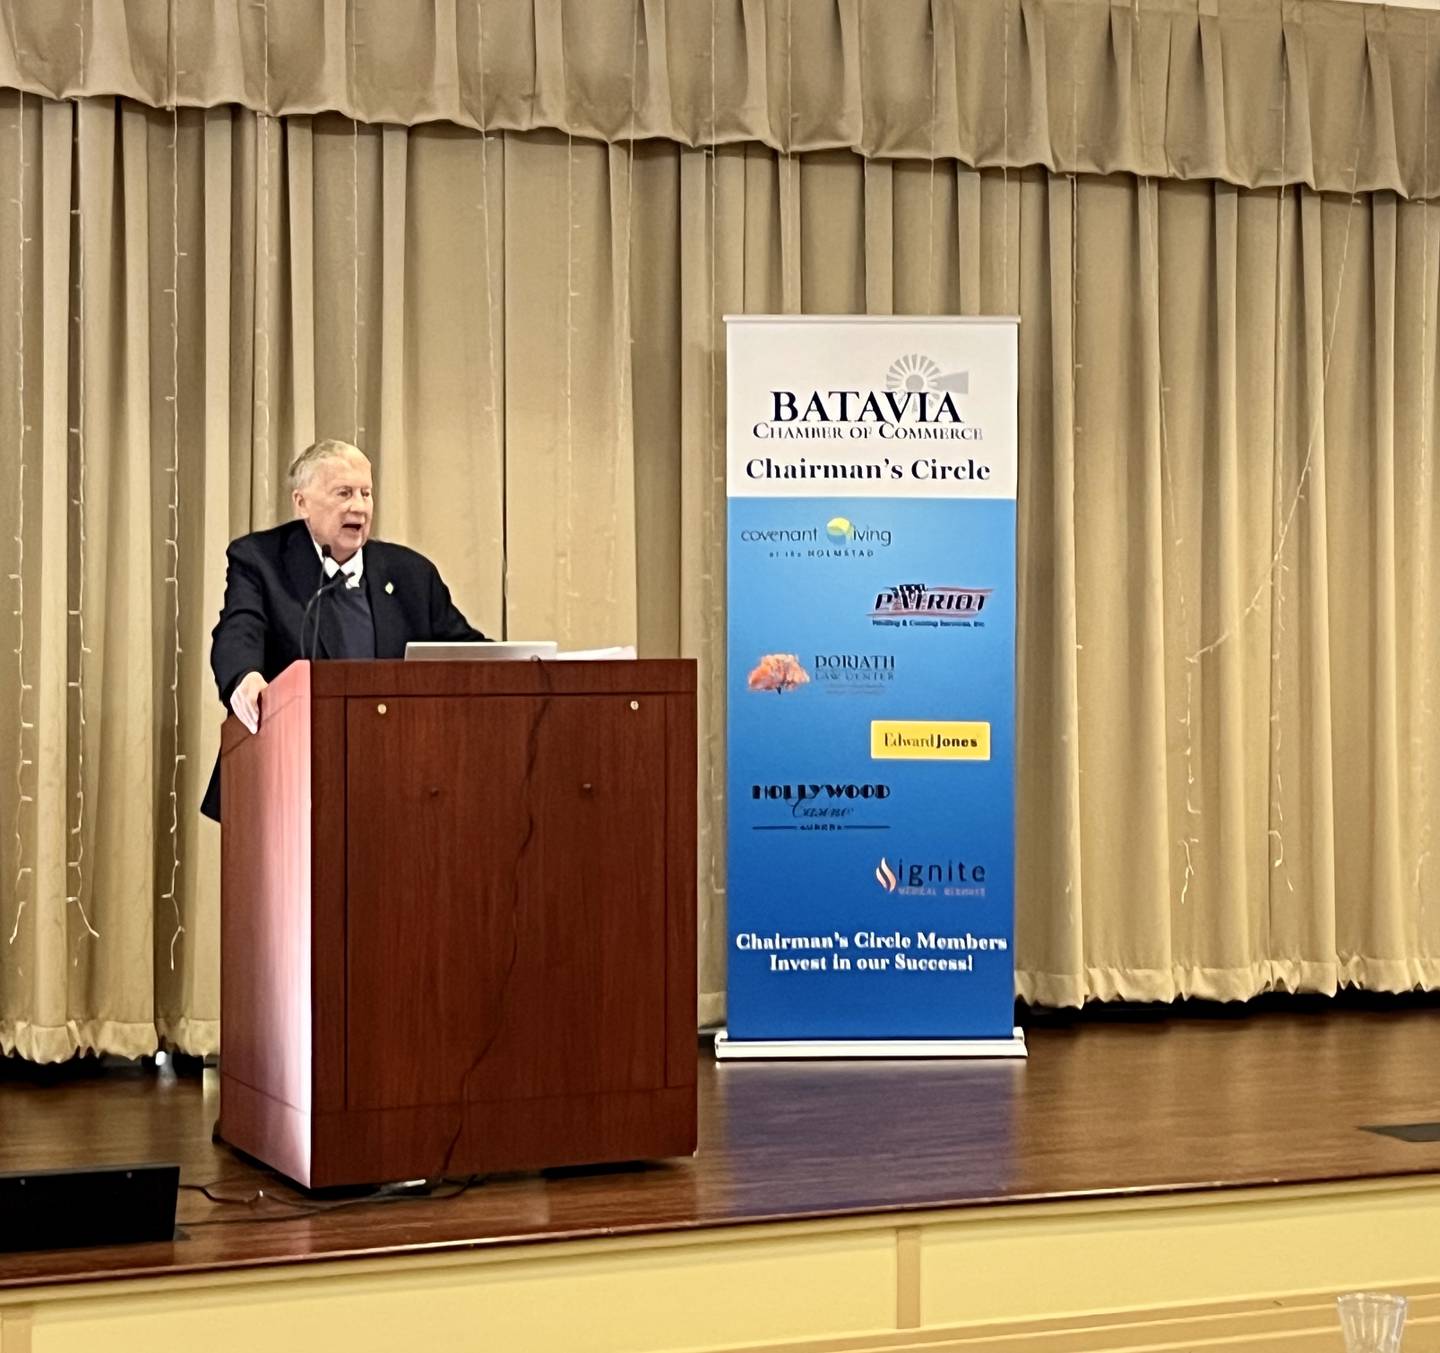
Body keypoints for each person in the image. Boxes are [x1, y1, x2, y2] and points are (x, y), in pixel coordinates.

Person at [200, 438, 488, 820]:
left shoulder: (411, 574)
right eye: (344, 493)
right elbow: (240, 627)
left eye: (366, 493)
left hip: (397, 780)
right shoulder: (261, 559)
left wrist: (530, 667)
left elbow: (464, 650)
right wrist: (245, 677)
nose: (359, 506)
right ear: (301, 501)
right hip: (289, 779)